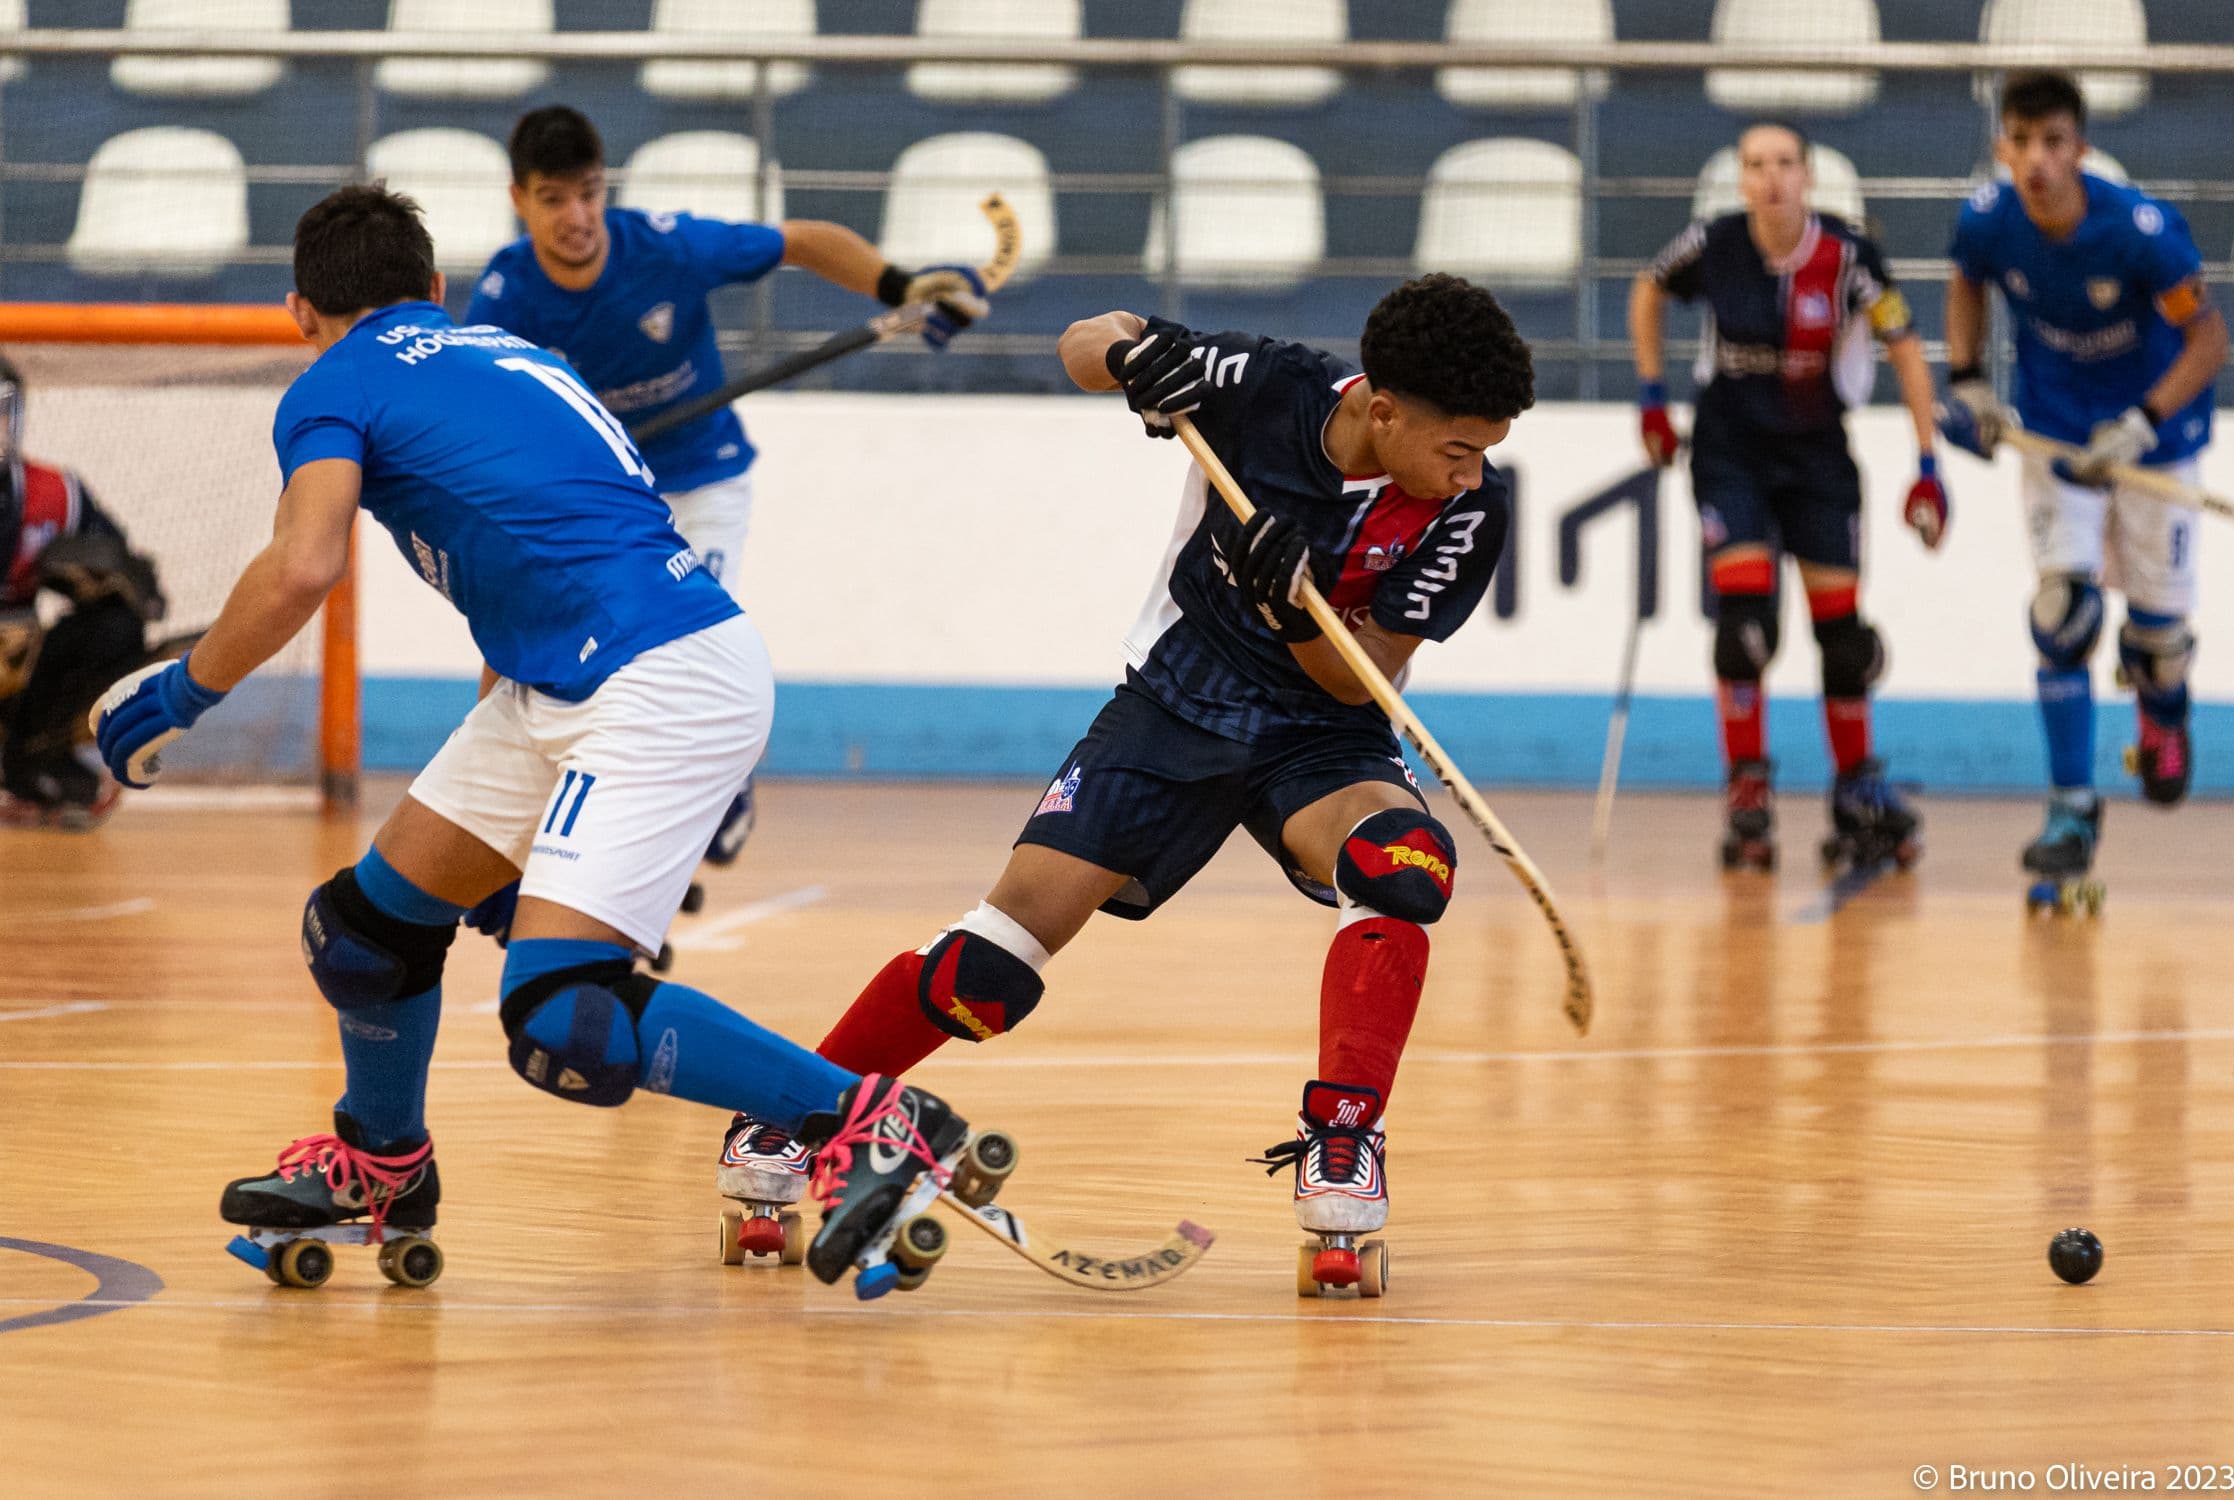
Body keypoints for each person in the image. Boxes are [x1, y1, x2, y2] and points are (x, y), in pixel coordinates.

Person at [91, 184, 990, 1297]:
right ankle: (383, 1165)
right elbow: (531, 574)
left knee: (567, 1014)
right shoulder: (510, 351)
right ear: (433, 291)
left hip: (649, 683)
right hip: (572, 679)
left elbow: (305, 564)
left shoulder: (332, 384)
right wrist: (499, 843)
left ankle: (870, 1123)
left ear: (300, 313)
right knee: (364, 932)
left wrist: (181, 692)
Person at [712, 273, 1532, 1289]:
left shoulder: (1470, 512)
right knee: (991, 971)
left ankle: (1343, 1144)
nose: (1468, 477)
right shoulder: (1265, 384)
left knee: (1402, 866)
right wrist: (1133, 359)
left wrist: (1292, 606)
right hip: (1173, 710)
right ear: (1383, 409)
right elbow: (1087, 339)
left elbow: (1364, 669)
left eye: (1483, 455)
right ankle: (798, 1113)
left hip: (1322, 734)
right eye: (1456, 451)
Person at [466, 105, 989, 868]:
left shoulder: (667, 248)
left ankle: (722, 782)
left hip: (704, 477)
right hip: (605, 496)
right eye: (554, 199)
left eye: (589, 192)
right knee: (564, 644)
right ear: (519, 200)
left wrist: (900, 284)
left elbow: (803, 242)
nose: (578, 217)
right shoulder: (503, 300)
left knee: (684, 645)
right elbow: (486, 425)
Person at [1630, 122, 1944, 872]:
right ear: (1741, 178)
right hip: (1731, 450)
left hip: (1817, 455)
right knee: (1744, 627)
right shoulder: (1713, 243)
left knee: (1843, 638)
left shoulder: (1848, 256)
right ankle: (1747, 793)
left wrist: (1927, 462)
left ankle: (1857, 789)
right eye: (1755, 165)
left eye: (1784, 164)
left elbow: (1904, 347)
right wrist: (1650, 397)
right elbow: (1647, 289)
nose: (1771, 178)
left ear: (1807, 175)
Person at [1939, 70, 2225, 886]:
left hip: (2158, 435)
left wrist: (2142, 423)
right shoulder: (1989, 219)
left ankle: (2163, 709)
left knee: (2156, 644)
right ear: (2003, 148)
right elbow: (1965, 280)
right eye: (2021, 143)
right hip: (2056, 430)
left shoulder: (2140, 232)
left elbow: (2208, 341)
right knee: (2060, 615)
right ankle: (2072, 806)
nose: (2037, 161)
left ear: (2081, 148)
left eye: (2053, 143)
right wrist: (1965, 378)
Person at [0, 354, 166, 828]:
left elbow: (138, 585)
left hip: (19, 658)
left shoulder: (55, 493)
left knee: (118, 627)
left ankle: (33, 760)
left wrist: (116, 580)